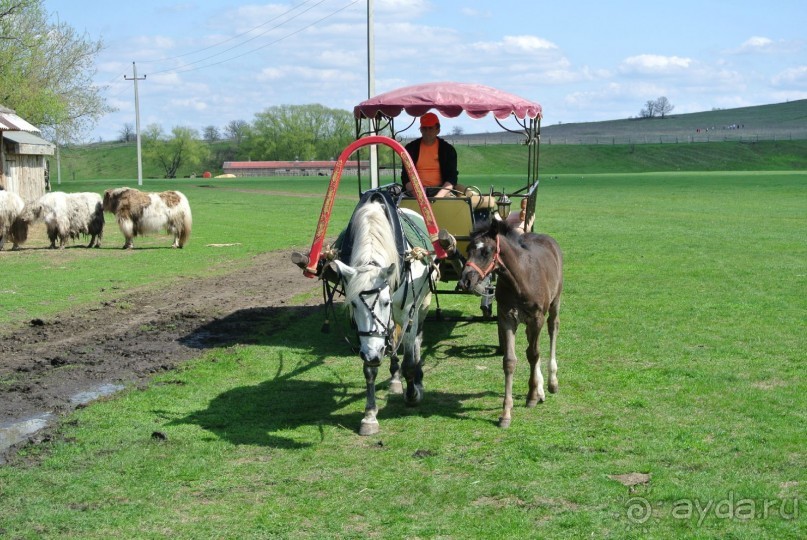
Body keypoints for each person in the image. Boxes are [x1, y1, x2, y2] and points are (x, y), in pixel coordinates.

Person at [401, 112, 458, 197]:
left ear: (438, 130)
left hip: (440, 190)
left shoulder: (448, 150)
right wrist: (419, 196)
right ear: (420, 130)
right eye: (424, 128)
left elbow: (452, 178)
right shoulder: (410, 149)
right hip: (415, 192)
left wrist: (439, 197)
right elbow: (406, 177)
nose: (427, 132)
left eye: (430, 128)